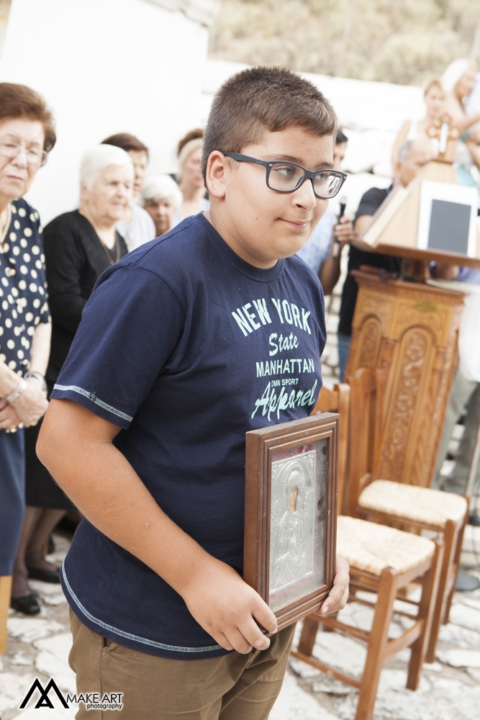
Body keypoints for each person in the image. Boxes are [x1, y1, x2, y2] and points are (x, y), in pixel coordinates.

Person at [38, 67, 349, 720]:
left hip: (261, 612)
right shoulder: (156, 283)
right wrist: (196, 575)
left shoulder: (301, 284)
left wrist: (317, 546)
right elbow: (67, 444)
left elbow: (288, 427)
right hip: (153, 626)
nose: (308, 198)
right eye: (285, 171)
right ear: (218, 172)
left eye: (323, 176)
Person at [11, 145, 133, 614]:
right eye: (112, 183)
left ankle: (35, 552)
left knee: (66, 478)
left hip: (91, 375)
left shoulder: (119, 240)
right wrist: (121, 327)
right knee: (37, 476)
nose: (122, 192)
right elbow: (60, 302)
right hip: (55, 370)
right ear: (86, 187)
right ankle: (14, 569)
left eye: (127, 185)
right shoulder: (64, 231)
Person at [0, 83, 53, 615]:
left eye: (33, 150)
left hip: (9, 414)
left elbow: (41, 314)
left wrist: (33, 385)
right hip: (10, 399)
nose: (22, 160)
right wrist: (19, 389)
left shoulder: (27, 220)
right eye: (9, 144)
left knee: (3, 527)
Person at [337, 137, 434, 381]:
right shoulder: (375, 197)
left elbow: (447, 272)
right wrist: (403, 198)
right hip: (359, 325)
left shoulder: (429, 213)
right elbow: (367, 232)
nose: (427, 173)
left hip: (406, 333)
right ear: (399, 166)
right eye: (421, 164)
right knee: (351, 397)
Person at [296, 129, 354, 294]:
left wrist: (338, 245)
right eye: (332, 157)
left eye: (341, 159)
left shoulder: (328, 216)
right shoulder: (291, 200)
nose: (337, 166)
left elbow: (325, 287)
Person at [101, 133, 155, 250]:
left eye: (142, 167)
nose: (138, 174)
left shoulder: (144, 219)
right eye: (131, 165)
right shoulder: (88, 217)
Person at [391, 77, 445, 166]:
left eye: (441, 99)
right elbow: (395, 156)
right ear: (425, 97)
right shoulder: (409, 125)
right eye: (433, 98)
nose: (437, 104)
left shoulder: (445, 132)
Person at [176, 128, 209, 221]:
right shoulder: (164, 204)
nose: (201, 168)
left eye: (205, 163)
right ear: (182, 164)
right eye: (195, 162)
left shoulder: (214, 211)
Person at [442, 59, 480, 134]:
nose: (471, 85)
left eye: (474, 80)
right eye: (468, 79)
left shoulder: (463, 104)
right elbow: (458, 125)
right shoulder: (446, 99)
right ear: (456, 78)